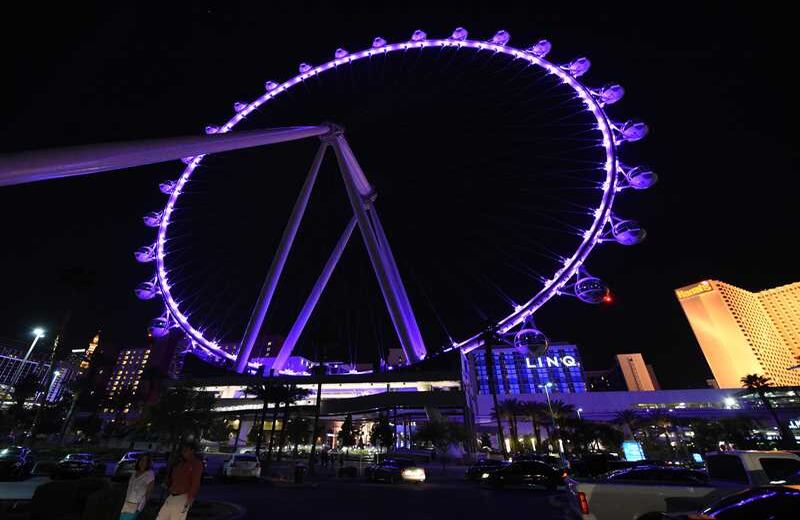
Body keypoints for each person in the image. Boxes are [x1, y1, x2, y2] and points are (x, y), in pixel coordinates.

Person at [156, 442, 203, 520]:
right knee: (161, 517)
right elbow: (172, 477)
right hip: (171, 495)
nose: (183, 452)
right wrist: (167, 482)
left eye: (186, 449)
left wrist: (191, 497)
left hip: (183, 497)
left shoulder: (196, 463)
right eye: (183, 450)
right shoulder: (179, 463)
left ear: (192, 450)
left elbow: (196, 482)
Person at [120, 454, 155, 520]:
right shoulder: (134, 473)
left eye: (144, 460)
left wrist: (140, 506)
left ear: (148, 463)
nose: (142, 462)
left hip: (136, 504)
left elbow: (148, 492)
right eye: (141, 460)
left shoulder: (149, 474)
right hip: (127, 502)